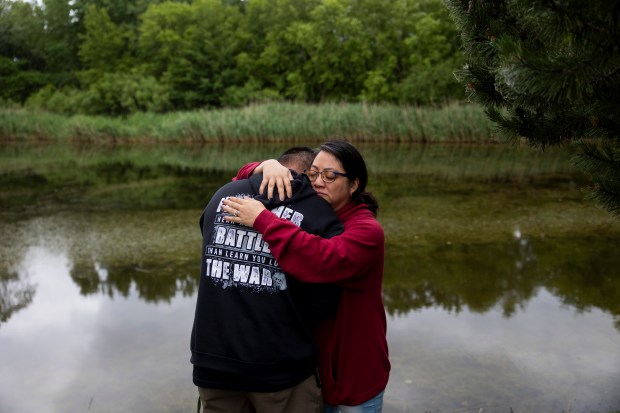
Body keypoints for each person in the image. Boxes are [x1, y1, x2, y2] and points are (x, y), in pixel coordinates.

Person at [222, 139, 390, 412]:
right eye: (312, 174)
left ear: (354, 184)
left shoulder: (366, 231)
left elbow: (323, 259)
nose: (318, 182)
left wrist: (263, 220)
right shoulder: (313, 213)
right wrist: (267, 166)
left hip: (354, 379)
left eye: (330, 175)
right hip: (310, 375)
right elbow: (237, 182)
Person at [190, 147, 344, 413]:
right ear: (307, 175)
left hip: (213, 363)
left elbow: (206, 233)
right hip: (280, 370)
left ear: (280, 166)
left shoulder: (222, 195)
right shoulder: (320, 215)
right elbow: (325, 300)